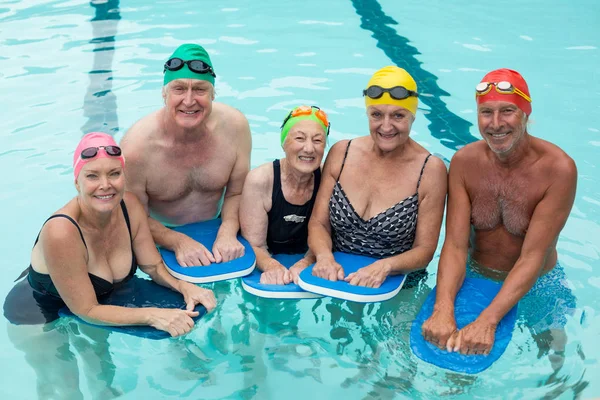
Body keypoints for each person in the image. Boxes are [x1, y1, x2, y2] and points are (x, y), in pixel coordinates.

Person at [421, 68, 577, 367]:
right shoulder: (465, 162)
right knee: (450, 359)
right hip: (473, 275)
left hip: (538, 284)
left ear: (525, 114)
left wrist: (488, 321)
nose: (495, 124)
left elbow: (532, 257)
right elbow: (454, 245)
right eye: (486, 112)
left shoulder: (558, 170)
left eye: (507, 111)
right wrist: (443, 307)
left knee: (554, 359)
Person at [4, 132, 216, 335]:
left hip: (101, 305)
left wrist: (184, 287)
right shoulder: (62, 231)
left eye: (114, 174)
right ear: (77, 182)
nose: (105, 185)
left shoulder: (130, 207)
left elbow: (153, 266)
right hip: (37, 314)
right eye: (92, 176)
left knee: (104, 368)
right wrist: (154, 316)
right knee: (63, 372)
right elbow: (86, 310)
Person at [307, 66, 448, 288]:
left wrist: (385, 266)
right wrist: (324, 257)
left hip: (397, 286)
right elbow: (318, 223)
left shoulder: (430, 170)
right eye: (377, 115)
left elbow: (425, 250)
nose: (386, 126)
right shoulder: (342, 153)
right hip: (337, 276)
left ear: (413, 117)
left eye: (398, 115)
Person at [120, 43, 252, 267]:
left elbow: (236, 193)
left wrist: (228, 231)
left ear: (213, 93)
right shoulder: (136, 148)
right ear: (164, 93)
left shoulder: (235, 128)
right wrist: (176, 241)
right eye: (179, 89)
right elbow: (132, 216)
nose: (189, 101)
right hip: (160, 240)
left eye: (200, 90)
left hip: (219, 227)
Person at [240, 105, 329, 285]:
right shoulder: (260, 181)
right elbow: (254, 245)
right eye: (299, 138)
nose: (309, 149)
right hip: (268, 255)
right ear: (284, 143)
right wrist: (271, 266)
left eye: (318, 140)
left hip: (306, 255)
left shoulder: (328, 181)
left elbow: (329, 236)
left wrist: (307, 261)